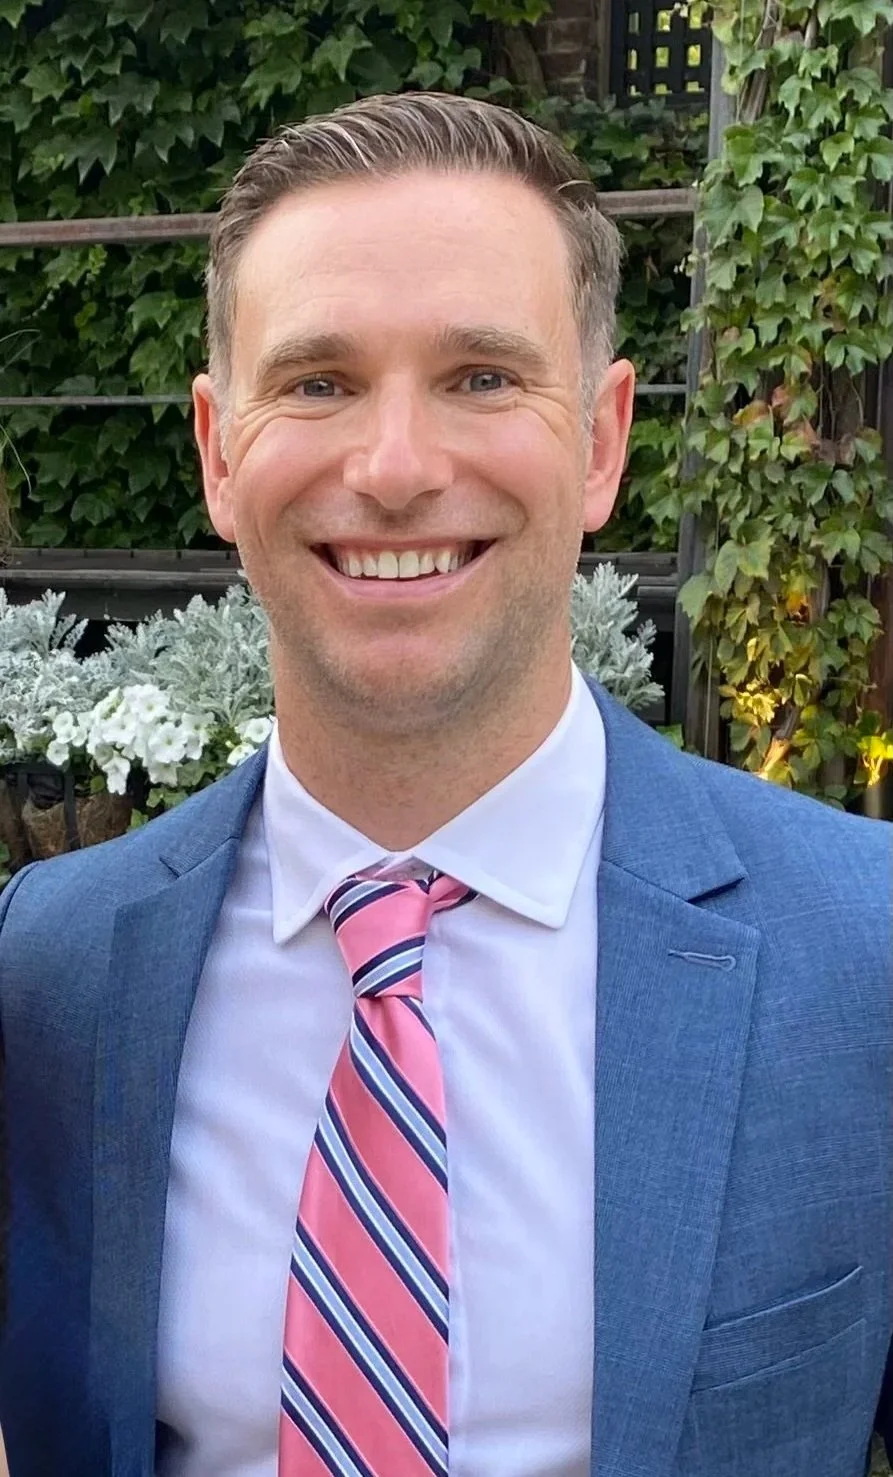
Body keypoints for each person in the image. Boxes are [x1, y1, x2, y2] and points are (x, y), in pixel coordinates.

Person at [0, 91, 890, 1477]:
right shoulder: (52, 971)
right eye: (317, 382)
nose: (397, 469)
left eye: (481, 377)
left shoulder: (863, 954)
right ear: (217, 451)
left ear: (602, 441)